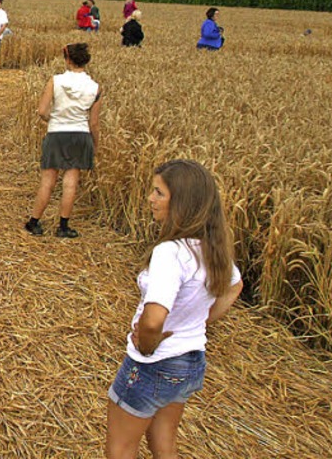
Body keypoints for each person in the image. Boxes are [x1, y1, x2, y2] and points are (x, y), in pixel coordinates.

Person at [105, 160, 243, 459]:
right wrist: (197, 322)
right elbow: (235, 285)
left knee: (120, 448)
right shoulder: (212, 247)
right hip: (191, 362)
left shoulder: (170, 253)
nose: (150, 199)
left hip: (154, 365)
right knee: (164, 441)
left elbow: (153, 322)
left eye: (159, 193)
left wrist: (146, 345)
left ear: (182, 203)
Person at [26, 43, 101, 239]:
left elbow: (42, 110)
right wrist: (95, 144)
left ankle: (34, 222)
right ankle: (63, 227)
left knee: (48, 181)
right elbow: (94, 123)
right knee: (70, 183)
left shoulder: (55, 81)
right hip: (80, 135)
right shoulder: (95, 87)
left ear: (67, 59)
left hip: (57, 133)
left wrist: (54, 120)